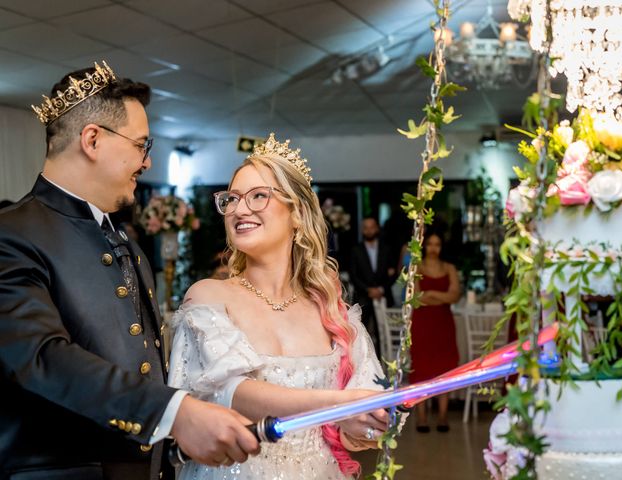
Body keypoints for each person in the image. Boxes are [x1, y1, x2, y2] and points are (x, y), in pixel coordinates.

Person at [0, 62, 258, 480]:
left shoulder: (129, 247)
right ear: (92, 140)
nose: (148, 162)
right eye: (141, 145)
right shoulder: (11, 234)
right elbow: (40, 357)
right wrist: (173, 413)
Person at [169, 134, 390, 479]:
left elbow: (361, 431)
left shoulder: (334, 314)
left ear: (298, 213)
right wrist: (338, 406)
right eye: (232, 199)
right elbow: (234, 394)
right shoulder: (209, 297)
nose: (240, 210)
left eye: (258, 196)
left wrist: (369, 421)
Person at [410, 231, 461, 433]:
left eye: (437, 244)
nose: (433, 248)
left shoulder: (449, 268)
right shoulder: (417, 268)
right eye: (430, 244)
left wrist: (430, 294)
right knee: (421, 367)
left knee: (445, 368)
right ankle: (421, 416)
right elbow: (417, 298)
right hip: (422, 324)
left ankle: (442, 415)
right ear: (424, 246)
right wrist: (441, 296)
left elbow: (455, 296)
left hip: (443, 324)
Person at [349, 217, 396, 357]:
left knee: (384, 334)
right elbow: (353, 275)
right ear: (362, 230)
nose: (369, 230)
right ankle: (363, 363)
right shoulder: (356, 250)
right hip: (364, 297)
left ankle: (383, 363)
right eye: (366, 227)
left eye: (372, 227)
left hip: (383, 296)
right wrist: (368, 290)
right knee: (361, 333)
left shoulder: (387, 248)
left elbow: (393, 273)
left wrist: (381, 289)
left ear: (377, 228)